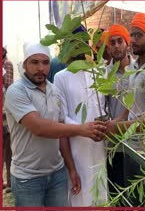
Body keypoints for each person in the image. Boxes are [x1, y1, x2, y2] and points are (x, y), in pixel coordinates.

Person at [4, 41, 106, 207]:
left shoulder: (54, 90)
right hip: (28, 178)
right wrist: (82, 129)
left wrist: (71, 170)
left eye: (45, 62)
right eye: (34, 62)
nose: (40, 68)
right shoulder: (16, 91)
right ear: (24, 64)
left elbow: (61, 134)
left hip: (57, 174)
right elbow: (38, 127)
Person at [104, 13, 145, 206]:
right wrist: (113, 124)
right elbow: (129, 107)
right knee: (129, 200)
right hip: (131, 146)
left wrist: (118, 128)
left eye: (138, 35)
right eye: (131, 35)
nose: (132, 40)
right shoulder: (134, 67)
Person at [53, 25, 108, 206]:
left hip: (100, 147)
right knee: (81, 198)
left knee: (101, 196)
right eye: (73, 44)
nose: (79, 47)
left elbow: (104, 108)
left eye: (82, 42)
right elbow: (62, 118)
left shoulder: (100, 71)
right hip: (76, 149)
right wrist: (83, 129)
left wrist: (103, 123)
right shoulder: (61, 77)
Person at [104, 23, 135, 200]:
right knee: (116, 190)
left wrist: (121, 120)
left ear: (127, 44)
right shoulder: (105, 74)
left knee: (134, 191)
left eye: (119, 41)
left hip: (136, 140)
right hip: (114, 142)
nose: (116, 46)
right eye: (112, 43)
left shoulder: (138, 70)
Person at [2, 47, 13, 193]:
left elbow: (9, 85)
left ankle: (10, 182)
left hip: (5, 113)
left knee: (8, 149)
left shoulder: (7, 64)